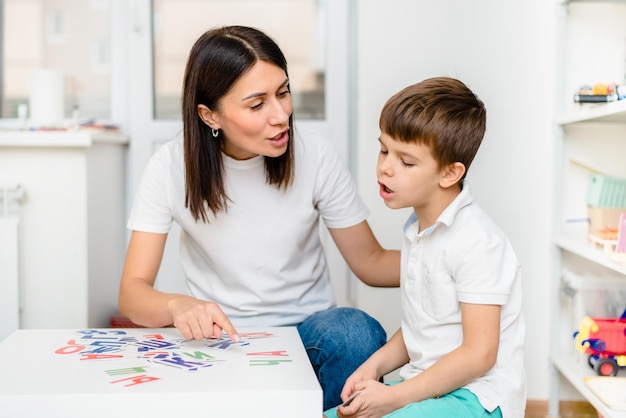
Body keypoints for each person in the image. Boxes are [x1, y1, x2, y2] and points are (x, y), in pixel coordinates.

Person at [117, 25, 400, 411]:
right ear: (209, 115)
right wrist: (177, 306)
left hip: (310, 331)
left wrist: (457, 258)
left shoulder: (314, 154)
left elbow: (371, 263)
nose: (281, 115)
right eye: (257, 104)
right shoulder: (169, 166)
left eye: (283, 92)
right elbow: (132, 292)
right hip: (222, 338)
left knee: (353, 332)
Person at [324, 77, 526, 418]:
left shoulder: (477, 242)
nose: (385, 167)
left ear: (449, 173)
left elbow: (480, 354)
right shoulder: (419, 233)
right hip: (428, 389)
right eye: (384, 149)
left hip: (476, 398)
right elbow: (424, 329)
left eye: (406, 161)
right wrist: (372, 368)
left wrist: (395, 397)